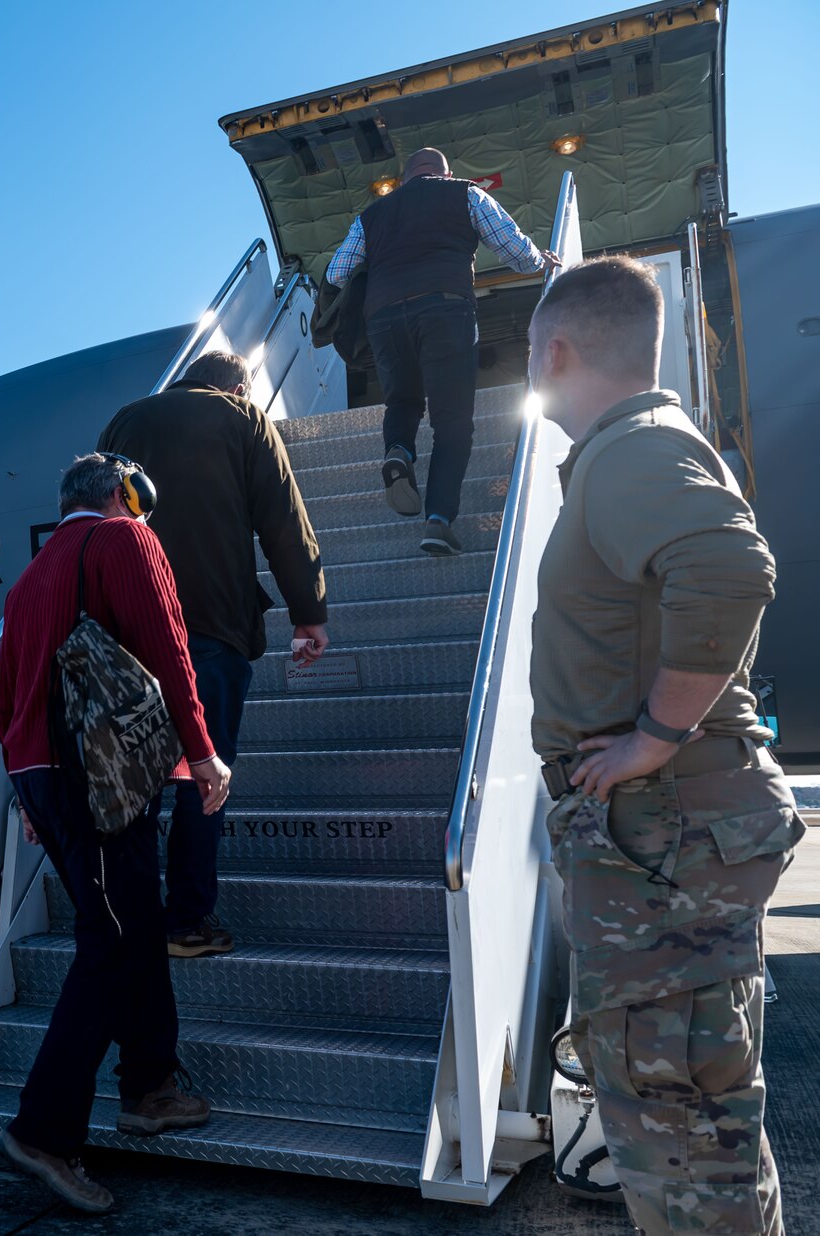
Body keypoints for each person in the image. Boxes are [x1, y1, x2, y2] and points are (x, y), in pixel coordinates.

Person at [528, 257, 799, 1234]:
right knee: (697, 1109)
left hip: (662, 829)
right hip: (662, 835)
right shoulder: (634, 449)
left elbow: (726, 568)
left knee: (672, 1116)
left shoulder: (629, 449)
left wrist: (652, 738)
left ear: (553, 351)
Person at [0, 453, 232, 1214]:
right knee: (112, 944)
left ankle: (149, 1086)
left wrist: (29, 796)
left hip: (46, 774)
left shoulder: (29, 580)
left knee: (132, 926)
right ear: (125, 495)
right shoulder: (125, 542)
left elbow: (4, 705)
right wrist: (201, 751)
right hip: (96, 775)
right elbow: (169, 647)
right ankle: (43, 1132)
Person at [98, 350, 328, 957]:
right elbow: (283, 520)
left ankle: (129, 920)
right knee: (205, 779)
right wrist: (309, 613)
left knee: (136, 784)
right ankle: (186, 922)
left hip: (126, 638)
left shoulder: (125, 423)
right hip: (210, 628)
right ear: (238, 386)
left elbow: (91, 521)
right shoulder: (243, 419)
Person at [326, 147, 556, 555]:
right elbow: (517, 253)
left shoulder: (372, 215)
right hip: (445, 307)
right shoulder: (465, 193)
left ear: (404, 179)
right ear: (446, 173)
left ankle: (399, 451)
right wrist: (543, 261)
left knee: (402, 400)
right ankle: (438, 521)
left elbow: (337, 271)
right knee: (452, 423)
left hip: (384, 318)